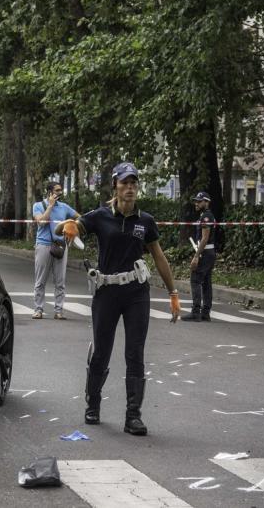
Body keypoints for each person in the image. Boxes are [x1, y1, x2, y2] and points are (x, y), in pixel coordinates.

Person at [57, 162, 181, 435]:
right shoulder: (100, 216)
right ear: (115, 185)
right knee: (102, 351)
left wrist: (173, 293)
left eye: (134, 184)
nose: (130, 188)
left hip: (137, 293)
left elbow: (158, 256)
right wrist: (68, 227)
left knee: (135, 353)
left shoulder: (145, 221)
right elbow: (71, 229)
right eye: (125, 183)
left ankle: (133, 416)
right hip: (107, 292)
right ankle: (93, 405)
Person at [31, 181, 78, 320]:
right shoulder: (38, 205)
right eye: (57, 190)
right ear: (49, 192)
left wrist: (74, 227)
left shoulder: (64, 207)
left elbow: (80, 218)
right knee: (40, 281)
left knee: (60, 281)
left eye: (60, 190)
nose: (60, 193)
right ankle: (38, 309)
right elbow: (41, 221)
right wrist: (50, 206)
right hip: (43, 245)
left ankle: (59, 311)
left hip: (61, 246)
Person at [182, 191, 216, 322]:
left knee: (195, 280)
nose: (196, 203)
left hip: (205, 253)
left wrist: (196, 256)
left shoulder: (206, 217)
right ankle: (205, 313)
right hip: (209, 253)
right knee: (206, 282)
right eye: (196, 201)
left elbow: (205, 238)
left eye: (199, 201)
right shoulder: (206, 215)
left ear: (207, 202)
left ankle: (196, 312)